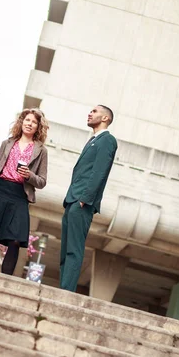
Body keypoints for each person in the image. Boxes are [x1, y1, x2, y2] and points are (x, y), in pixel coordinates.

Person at [0, 108, 48, 275]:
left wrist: (29, 176)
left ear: (38, 127)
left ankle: (6, 282)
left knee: (15, 241)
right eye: (27, 120)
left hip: (20, 196)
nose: (30, 124)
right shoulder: (7, 143)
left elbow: (42, 181)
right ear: (21, 122)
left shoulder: (41, 150)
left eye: (34, 122)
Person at [60, 105, 117, 292]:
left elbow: (100, 172)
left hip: (82, 202)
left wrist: (85, 199)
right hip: (72, 199)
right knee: (64, 250)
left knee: (73, 250)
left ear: (105, 118)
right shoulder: (93, 140)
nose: (90, 113)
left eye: (94, 111)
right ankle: (62, 287)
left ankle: (66, 292)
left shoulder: (107, 140)